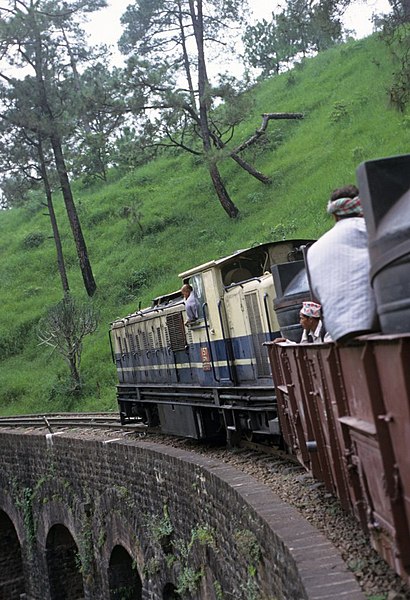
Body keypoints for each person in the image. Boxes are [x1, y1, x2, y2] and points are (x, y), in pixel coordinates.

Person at [306, 184, 378, 342]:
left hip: (338, 333)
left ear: (334, 216)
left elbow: (318, 294)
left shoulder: (314, 249)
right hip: (379, 324)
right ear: (361, 208)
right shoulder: (374, 231)